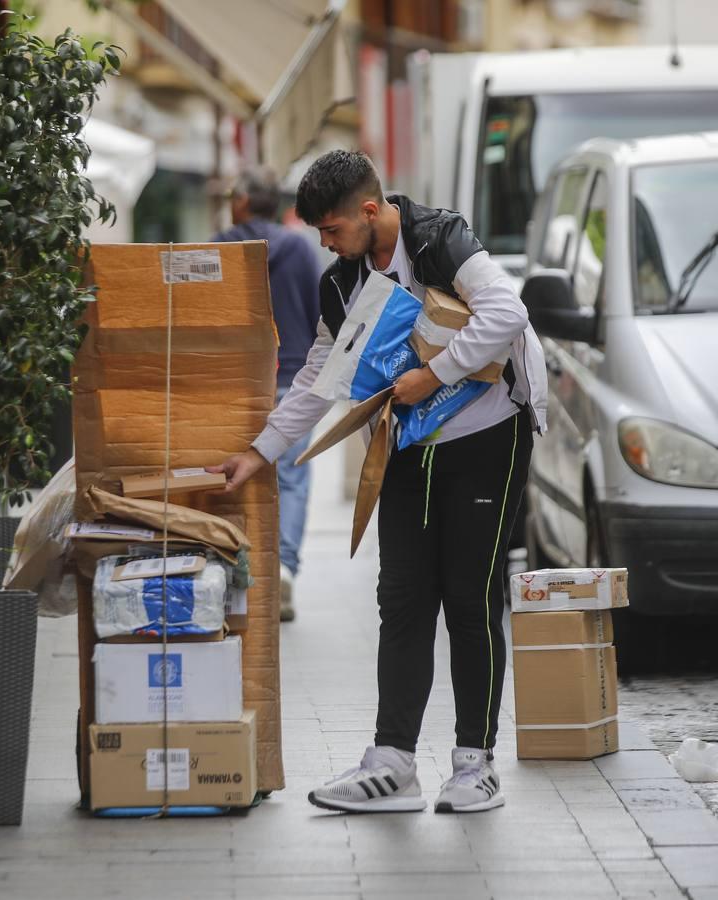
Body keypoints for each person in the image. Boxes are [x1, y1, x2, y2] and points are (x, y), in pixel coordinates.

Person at [209, 151, 547, 814]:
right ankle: (392, 763)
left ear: (370, 210)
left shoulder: (441, 237)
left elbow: (507, 312)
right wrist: (261, 451)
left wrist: (439, 370)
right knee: (401, 600)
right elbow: (318, 377)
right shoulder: (341, 284)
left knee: (470, 600)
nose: (324, 243)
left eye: (331, 229)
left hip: (488, 437)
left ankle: (474, 765)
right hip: (404, 446)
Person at [214, 167, 322, 622]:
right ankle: (285, 569)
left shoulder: (221, 246)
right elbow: (322, 313)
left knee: (240, 474)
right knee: (293, 478)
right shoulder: (300, 246)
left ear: (241, 202)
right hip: (294, 376)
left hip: (239, 381)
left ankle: (243, 565)